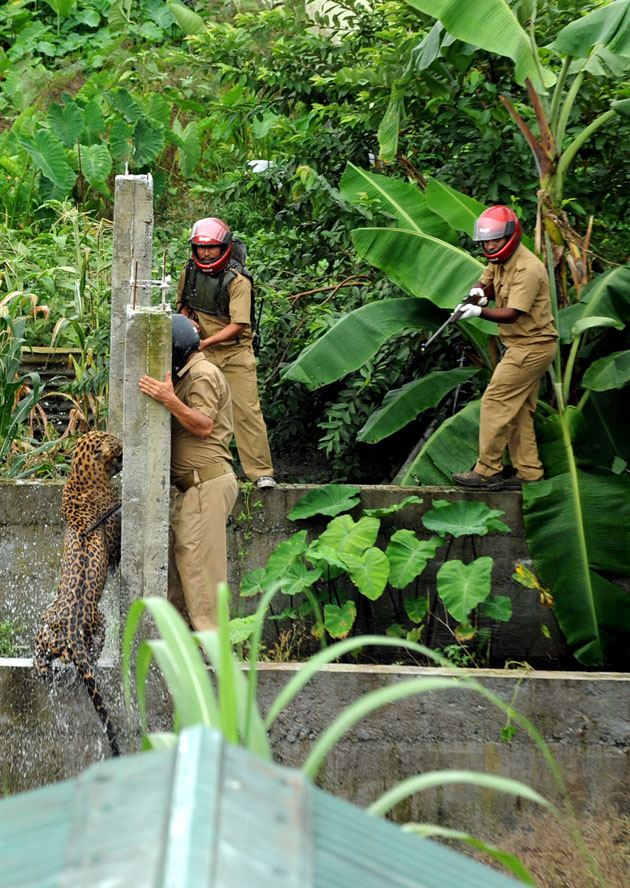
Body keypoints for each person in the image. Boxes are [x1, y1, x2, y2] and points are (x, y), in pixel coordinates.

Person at [138, 314, 238, 631]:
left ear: (177, 347)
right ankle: (186, 663)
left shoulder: (203, 373)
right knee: (179, 584)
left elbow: (204, 425)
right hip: (193, 490)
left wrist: (169, 400)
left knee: (201, 584)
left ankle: (217, 671)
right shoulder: (188, 374)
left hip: (204, 485)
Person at [452, 205, 558, 491]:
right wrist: (476, 292)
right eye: (486, 241)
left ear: (511, 235)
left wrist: (477, 313)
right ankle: (530, 472)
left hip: (532, 346)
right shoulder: (501, 260)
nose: (490, 245)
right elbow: (485, 281)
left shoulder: (528, 269)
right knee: (519, 410)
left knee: (496, 402)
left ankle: (487, 470)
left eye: (495, 240)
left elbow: (512, 313)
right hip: (520, 345)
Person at [176, 216, 276, 490]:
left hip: (234, 354)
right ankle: (206, 469)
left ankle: (261, 473)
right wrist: (188, 322)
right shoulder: (190, 271)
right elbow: (182, 306)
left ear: (225, 247)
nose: (205, 253)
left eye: (212, 248)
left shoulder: (238, 281)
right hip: (200, 351)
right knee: (199, 410)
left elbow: (238, 325)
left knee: (246, 412)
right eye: (200, 247)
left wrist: (204, 344)